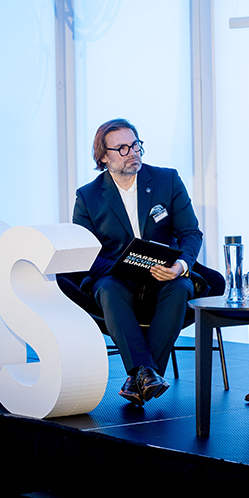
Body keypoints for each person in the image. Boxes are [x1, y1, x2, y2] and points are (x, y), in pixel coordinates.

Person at [68, 119, 221, 407]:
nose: (133, 152)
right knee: (108, 289)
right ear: (103, 157)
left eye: (135, 145)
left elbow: (190, 233)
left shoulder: (167, 180)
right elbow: (84, 253)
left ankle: (140, 376)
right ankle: (147, 375)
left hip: (164, 274)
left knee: (181, 287)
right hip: (116, 278)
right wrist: (124, 266)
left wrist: (180, 266)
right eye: (122, 148)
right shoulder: (88, 196)